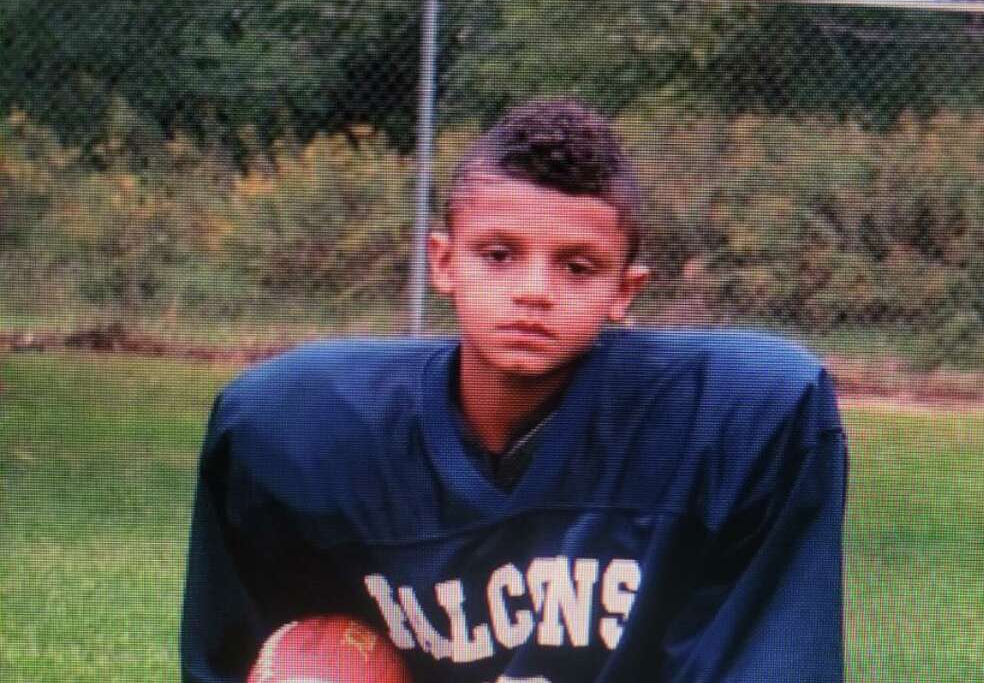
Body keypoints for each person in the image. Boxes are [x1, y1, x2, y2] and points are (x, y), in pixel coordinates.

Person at [180, 98, 848, 682]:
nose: (534, 291)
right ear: (444, 262)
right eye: (498, 255)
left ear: (624, 290)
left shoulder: (731, 416)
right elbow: (237, 653)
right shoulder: (296, 426)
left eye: (576, 266)